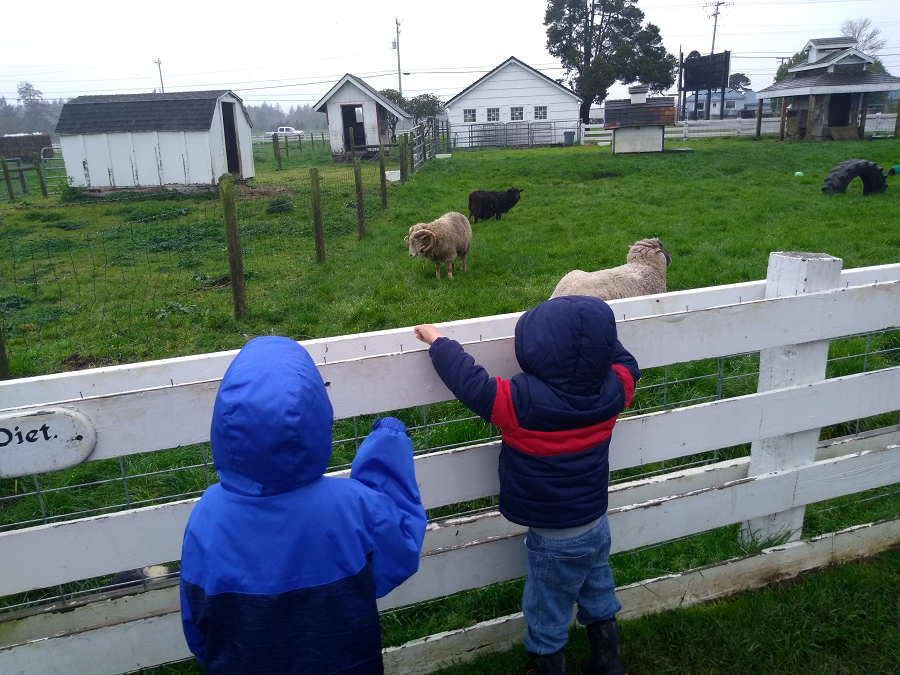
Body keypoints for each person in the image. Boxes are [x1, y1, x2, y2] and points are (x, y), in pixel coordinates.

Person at [414, 296, 640, 675]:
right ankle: (609, 662)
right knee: (598, 589)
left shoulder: (520, 403)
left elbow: (470, 383)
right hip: (596, 522)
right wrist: (596, 339)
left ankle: (546, 668)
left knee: (546, 609)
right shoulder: (615, 391)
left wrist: (440, 342)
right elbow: (626, 362)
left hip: (553, 536)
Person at [179, 336, 426, 675]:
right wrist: (388, 450)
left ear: (225, 420)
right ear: (316, 412)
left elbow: (196, 614)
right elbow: (398, 558)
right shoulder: (353, 505)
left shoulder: (208, 514)